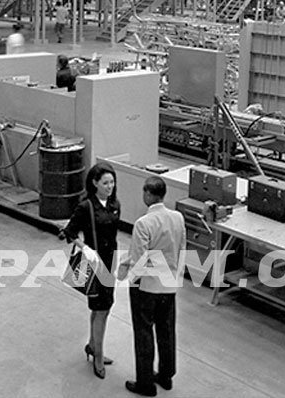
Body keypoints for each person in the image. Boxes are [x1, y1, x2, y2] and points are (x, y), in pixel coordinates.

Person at [118, 176, 186, 397]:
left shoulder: (143, 223)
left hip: (147, 288)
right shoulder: (177, 218)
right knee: (166, 331)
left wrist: (130, 280)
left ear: (147, 194)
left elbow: (139, 260)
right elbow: (182, 249)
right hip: (169, 285)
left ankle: (145, 383)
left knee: (144, 333)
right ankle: (166, 376)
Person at [63, 162, 122, 380]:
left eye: (112, 182)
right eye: (105, 183)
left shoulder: (115, 204)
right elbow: (69, 232)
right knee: (101, 308)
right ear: (95, 183)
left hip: (110, 261)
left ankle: (92, 345)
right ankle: (98, 355)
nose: (110, 186)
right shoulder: (86, 207)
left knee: (102, 308)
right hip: (95, 263)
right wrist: (85, 248)